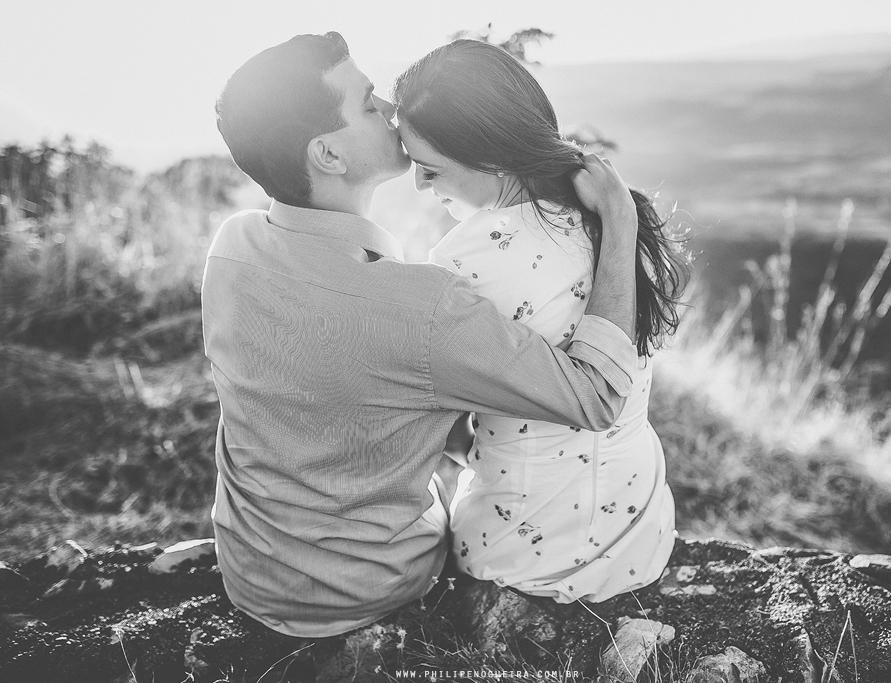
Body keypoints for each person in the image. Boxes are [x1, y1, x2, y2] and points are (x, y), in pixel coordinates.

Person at [205, 32, 643, 639]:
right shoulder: (421, 305)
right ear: (328, 155)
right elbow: (594, 397)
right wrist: (620, 220)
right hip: (367, 591)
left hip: (249, 571)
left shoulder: (232, 248)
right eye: (366, 105)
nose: (389, 109)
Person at [392, 39, 688, 602]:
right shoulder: (621, 220)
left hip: (521, 555)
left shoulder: (463, 262)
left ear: (494, 157)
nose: (420, 186)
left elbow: (433, 422)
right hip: (640, 535)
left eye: (430, 169)